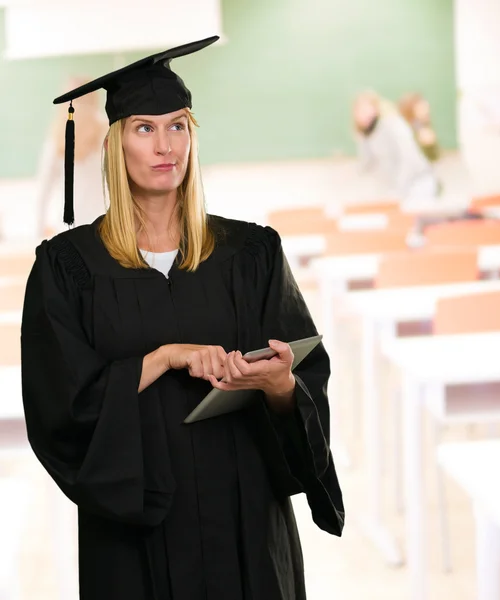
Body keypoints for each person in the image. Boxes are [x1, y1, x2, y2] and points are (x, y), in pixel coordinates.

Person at [21, 36, 345, 600]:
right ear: (117, 142)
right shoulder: (67, 268)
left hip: (243, 515)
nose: (165, 144)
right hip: (135, 528)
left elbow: (305, 384)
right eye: (145, 128)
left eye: (178, 126)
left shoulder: (252, 254)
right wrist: (160, 358)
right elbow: (59, 409)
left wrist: (280, 385)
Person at [35, 76, 108, 238]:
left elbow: (43, 193)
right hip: (104, 229)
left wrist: (38, 233)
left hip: (68, 230)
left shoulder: (57, 138)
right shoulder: (107, 132)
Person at [352, 90, 440, 208]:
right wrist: (362, 138)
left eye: (366, 109)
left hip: (418, 183)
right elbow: (366, 164)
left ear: (376, 108)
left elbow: (408, 158)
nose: (363, 115)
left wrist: (399, 190)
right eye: (359, 111)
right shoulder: (367, 135)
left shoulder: (392, 124)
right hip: (398, 188)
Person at [398, 92, 440, 162]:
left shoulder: (418, 127)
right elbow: (433, 157)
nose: (427, 111)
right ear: (411, 110)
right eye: (422, 108)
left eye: (427, 108)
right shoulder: (418, 130)